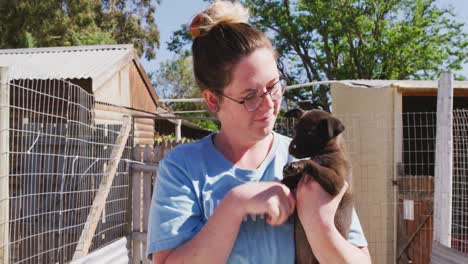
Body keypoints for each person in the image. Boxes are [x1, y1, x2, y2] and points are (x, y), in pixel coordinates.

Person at [147, 1, 371, 263]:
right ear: (212, 100)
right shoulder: (183, 168)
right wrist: (235, 205)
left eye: (273, 86)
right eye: (250, 95)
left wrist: (319, 225)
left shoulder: (305, 161)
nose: (268, 104)